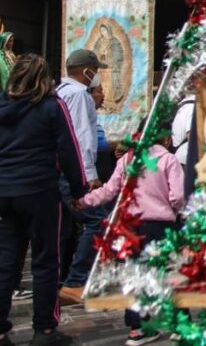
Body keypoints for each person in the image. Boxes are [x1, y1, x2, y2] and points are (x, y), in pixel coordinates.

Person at [0, 54, 89, 346]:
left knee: (6, 261)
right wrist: (79, 191)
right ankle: (45, 329)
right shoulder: (51, 106)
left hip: (5, 191)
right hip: (40, 191)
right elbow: (69, 149)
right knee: (46, 261)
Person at [78, 138, 183, 345]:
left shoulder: (127, 160)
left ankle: (137, 328)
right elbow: (178, 196)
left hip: (130, 226)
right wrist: (175, 211)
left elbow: (109, 191)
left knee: (133, 276)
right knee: (169, 274)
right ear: (165, 138)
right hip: (159, 225)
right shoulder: (169, 160)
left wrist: (84, 201)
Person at [56, 48, 107, 302]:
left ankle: (63, 278)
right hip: (74, 171)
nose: (97, 75)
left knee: (65, 228)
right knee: (98, 220)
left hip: (58, 170)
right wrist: (90, 174)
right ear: (86, 71)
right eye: (95, 70)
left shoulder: (60, 92)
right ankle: (75, 280)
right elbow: (81, 136)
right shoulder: (78, 95)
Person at [170, 94, 195, 167]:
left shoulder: (184, 105)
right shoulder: (192, 107)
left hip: (180, 157)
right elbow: (192, 138)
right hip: (185, 159)